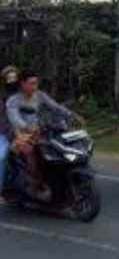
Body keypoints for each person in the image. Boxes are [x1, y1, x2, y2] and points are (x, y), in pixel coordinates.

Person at [6, 70, 75, 202]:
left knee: (56, 147)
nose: (35, 86)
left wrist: (71, 115)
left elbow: (55, 107)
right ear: (22, 84)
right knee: (30, 151)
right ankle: (33, 184)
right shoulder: (13, 100)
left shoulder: (40, 96)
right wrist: (27, 127)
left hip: (39, 132)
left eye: (36, 83)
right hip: (19, 134)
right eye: (32, 84)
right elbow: (14, 119)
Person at [0, 65, 18, 196]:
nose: (12, 80)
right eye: (9, 78)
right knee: (1, 157)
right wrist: (11, 133)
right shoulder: (2, 96)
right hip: (5, 132)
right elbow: (3, 119)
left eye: (14, 77)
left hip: (25, 130)